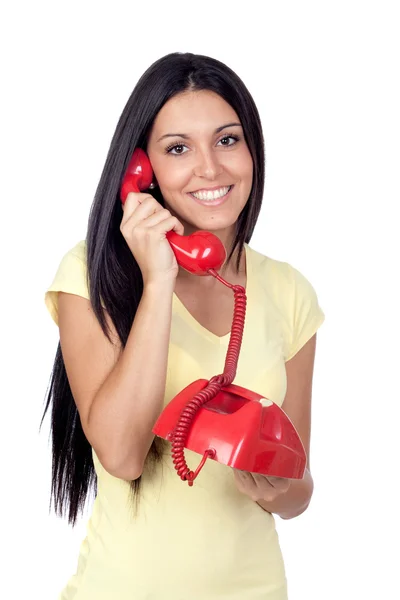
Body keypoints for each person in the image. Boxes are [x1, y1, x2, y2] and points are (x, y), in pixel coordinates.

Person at [42, 52, 325, 600]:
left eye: (227, 140)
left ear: (252, 150)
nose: (211, 169)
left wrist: (274, 486)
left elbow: (299, 490)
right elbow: (122, 457)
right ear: (140, 171)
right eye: (178, 149)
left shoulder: (290, 292)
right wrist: (158, 280)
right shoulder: (90, 275)